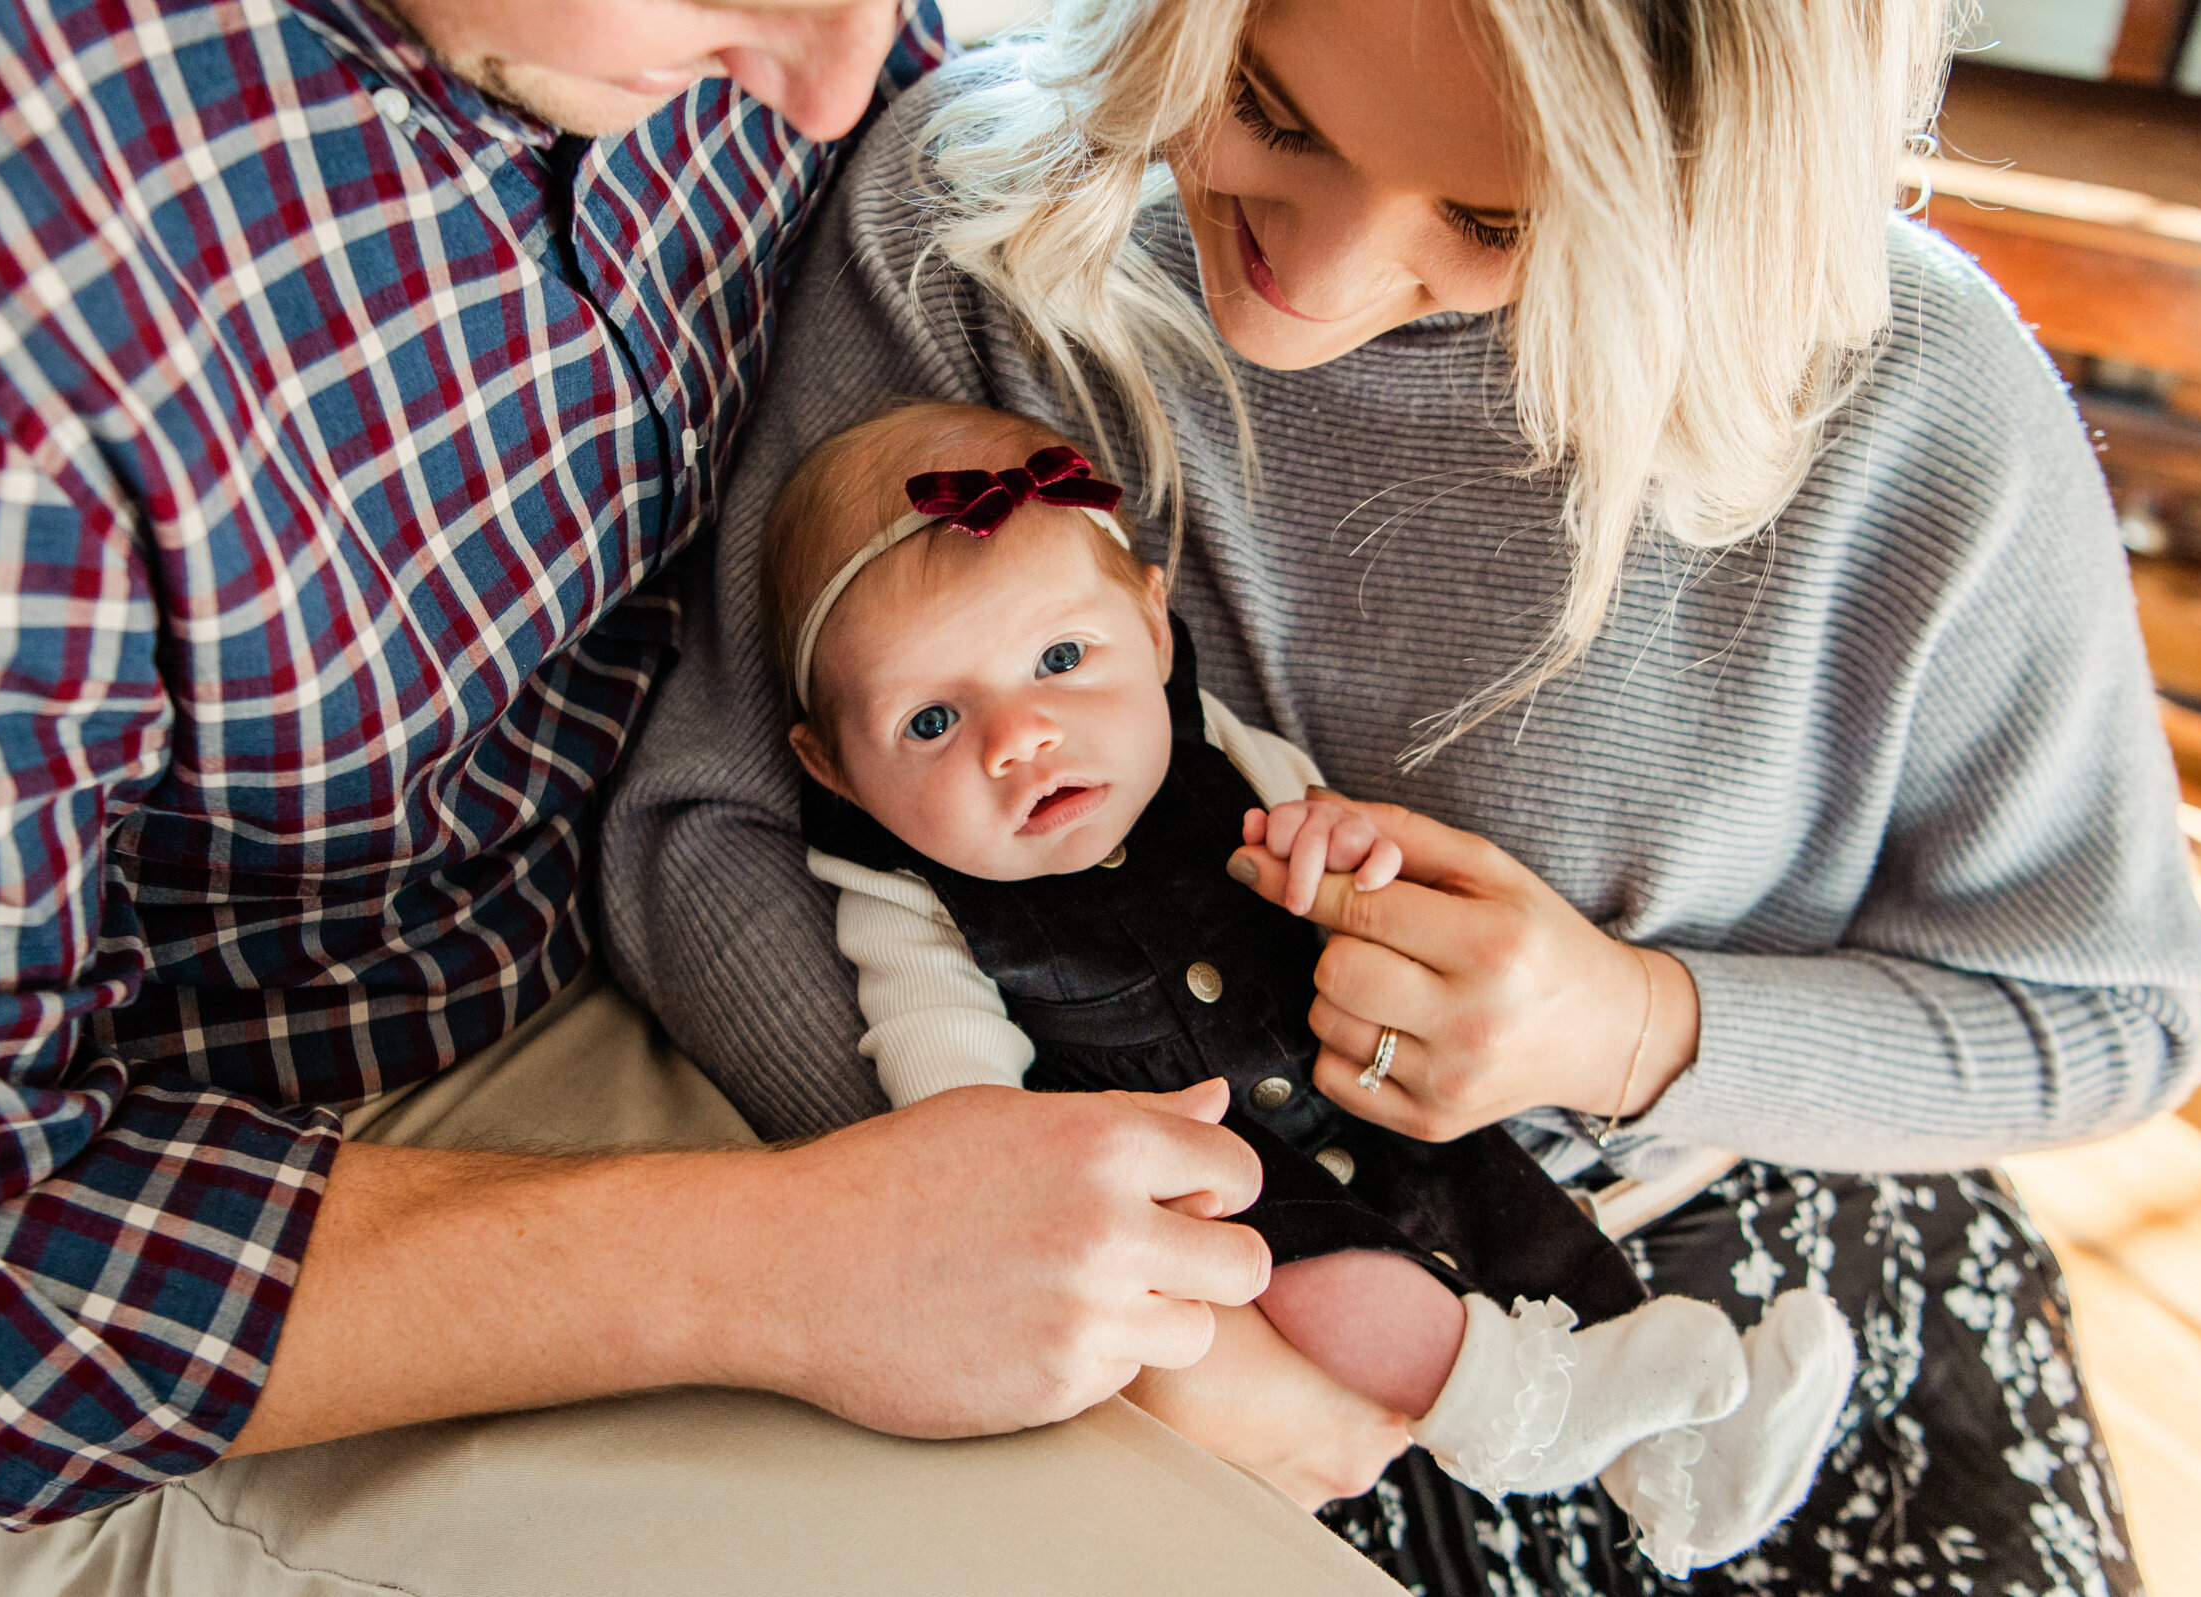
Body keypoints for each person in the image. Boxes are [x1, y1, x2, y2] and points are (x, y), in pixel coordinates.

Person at [601, 0, 2201, 1589]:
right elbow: (720, 827)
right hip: (1196, 1297)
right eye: (1266, 105)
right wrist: (1128, 1301)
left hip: (1739, 1287)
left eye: (1488, 213)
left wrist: (1635, 1024)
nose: (1308, 280)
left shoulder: (1916, 403)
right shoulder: (976, 223)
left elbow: (2117, 1011)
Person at [0, 1, 1401, 1591]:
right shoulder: (17, 252)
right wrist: (802, 1259)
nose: (844, 88)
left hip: (670, 953)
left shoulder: (796, 50)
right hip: (237, 1236)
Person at [765, 397, 1863, 1576]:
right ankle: (1525, 1425)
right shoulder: (905, 890)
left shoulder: (1204, 742)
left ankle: (1683, 1467)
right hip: (1228, 1183)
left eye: (1062, 659)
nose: (1022, 737)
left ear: (1152, 624)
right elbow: (953, 1099)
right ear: (833, 766)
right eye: (932, 718)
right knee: (1344, 1292)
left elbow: (1313, 820)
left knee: (1524, 1214)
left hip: (1368, 1073)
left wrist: (1339, 849)